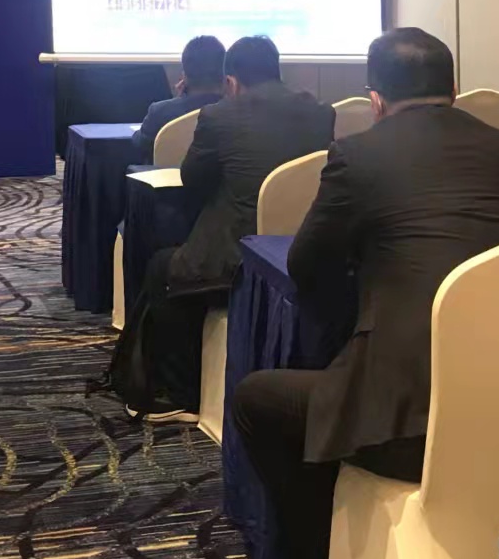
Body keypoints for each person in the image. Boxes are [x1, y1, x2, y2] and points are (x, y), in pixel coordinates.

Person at [233, 28, 499, 559]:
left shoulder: (358, 154)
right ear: (454, 88)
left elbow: (306, 265)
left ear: (375, 100)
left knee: (258, 400)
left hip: (409, 426)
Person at [109, 36, 335, 420]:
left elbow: (192, 179)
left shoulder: (218, 116)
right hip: (301, 248)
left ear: (230, 82)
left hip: (238, 256)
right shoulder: (321, 113)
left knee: (162, 267)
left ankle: (180, 393)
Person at [131, 35, 227, 164]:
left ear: (184, 76)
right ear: (224, 75)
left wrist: (179, 100)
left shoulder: (160, 112)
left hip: (171, 176)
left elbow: (140, 144)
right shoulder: (240, 112)